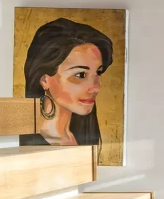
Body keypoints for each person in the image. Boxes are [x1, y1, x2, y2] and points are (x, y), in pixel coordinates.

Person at [21, 18, 113, 147]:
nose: (96, 87)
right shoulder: (28, 143)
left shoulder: (82, 137)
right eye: (80, 75)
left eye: (98, 72)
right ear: (44, 80)